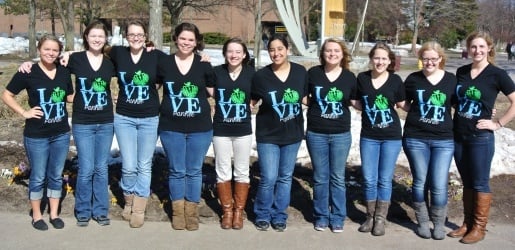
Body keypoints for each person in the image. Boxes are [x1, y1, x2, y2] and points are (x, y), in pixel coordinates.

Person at [19, 21, 117, 227]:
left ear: (106, 39)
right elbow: (50, 58)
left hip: (106, 122)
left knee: (101, 168)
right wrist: (28, 62)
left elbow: (134, 64)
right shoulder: (75, 59)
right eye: (93, 36)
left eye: (101, 36)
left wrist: (150, 46)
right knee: (86, 167)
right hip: (83, 122)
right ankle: (82, 211)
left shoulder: (111, 61)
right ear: (86, 38)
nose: (97, 39)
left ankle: (100, 211)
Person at [448, 31, 515, 244]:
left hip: (481, 138)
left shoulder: (497, 74)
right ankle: (467, 224)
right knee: (466, 180)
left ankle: (479, 227)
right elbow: (454, 100)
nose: (477, 51)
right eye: (473, 47)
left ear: (489, 49)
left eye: (481, 47)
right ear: (468, 49)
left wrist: (497, 123)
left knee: (480, 182)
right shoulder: (461, 71)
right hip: (459, 134)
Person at [1, 35, 73, 231]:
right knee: (38, 176)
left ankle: (54, 214)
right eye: (46, 49)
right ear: (39, 49)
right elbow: (7, 95)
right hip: (36, 135)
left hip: (61, 133)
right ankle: (37, 215)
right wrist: (24, 112)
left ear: (59, 52)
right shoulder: (28, 71)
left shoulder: (64, 72)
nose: (50, 53)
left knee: (56, 175)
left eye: (55, 50)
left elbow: (69, 97)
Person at [106, 20, 165, 228]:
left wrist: (202, 59)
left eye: (140, 34)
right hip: (124, 118)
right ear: (126, 36)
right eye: (132, 34)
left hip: (150, 119)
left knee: (144, 165)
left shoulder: (155, 55)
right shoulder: (118, 53)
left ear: (146, 35)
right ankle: (128, 202)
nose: (136, 38)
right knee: (129, 166)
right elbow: (95, 52)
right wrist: (67, 55)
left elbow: (179, 65)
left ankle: (139, 208)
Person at [158, 22, 214, 231]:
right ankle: (177, 212)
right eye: (183, 38)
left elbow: (214, 91)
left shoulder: (204, 64)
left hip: (200, 127)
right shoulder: (164, 63)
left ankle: (192, 212)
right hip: (171, 127)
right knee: (176, 170)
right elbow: (150, 84)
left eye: (191, 39)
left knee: (194, 170)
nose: (186, 43)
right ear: (175, 39)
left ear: (196, 42)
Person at [251, 34, 307, 232]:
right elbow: (251, 101)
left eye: (280, 49)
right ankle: (263, 214)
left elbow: (308, 97)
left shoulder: (300, 73)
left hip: (292, 134)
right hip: (268, 134)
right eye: (272, 50)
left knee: (285, 176)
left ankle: (280, 215)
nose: (276, 53)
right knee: (269, 177)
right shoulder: (260, 76)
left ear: (288, 49)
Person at [402, 41, 457, 240]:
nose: (429, 62)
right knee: (419, 182)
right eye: (426, 59)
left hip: (443, 139)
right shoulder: (413, 79)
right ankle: (423, 221)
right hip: (415, 138)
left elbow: (459, 104)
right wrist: (418, 113)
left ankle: (439, 223)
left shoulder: (451, 80)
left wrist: (490, 112)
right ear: (421, 60)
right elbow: (403, 102)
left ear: (440, 59)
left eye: (434, 58)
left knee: (439, 183)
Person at [305, 38, 357, 233]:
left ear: (342, 54)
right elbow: (304, 97)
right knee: (320, 177)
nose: (332, 54)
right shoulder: (313, 74)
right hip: (316, 132)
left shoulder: (349, 78)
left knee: (337, 177)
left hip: (340, 134)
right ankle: (321, 215)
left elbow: (355, 101)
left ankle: (337, 217)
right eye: (328, 51)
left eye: (336, 51)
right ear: (322, 53)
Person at [355, 42, 405, 236]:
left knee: (384, 179)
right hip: (369, 137)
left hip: (391, 137)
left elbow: (403, 103)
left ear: (389, 60)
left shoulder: (395, 81)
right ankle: (369, 216)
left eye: (384, 58)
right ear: (371, 59)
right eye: (377, 58)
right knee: (369, 178)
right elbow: (356, 101)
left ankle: (380, 219)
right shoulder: (362, 78)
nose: (380, 62)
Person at [212, 38, 254, 230]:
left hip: (243, 130)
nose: (234, 55)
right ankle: (227, 211)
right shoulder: (216, 72)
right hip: (221, 129)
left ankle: (239, 211)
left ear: (244, 54)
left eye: (238, 51)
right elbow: (208, 90)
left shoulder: (252, 74)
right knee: (222, 170)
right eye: (230, 51)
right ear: (225, 53)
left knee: (242, 170)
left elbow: (256, 97)